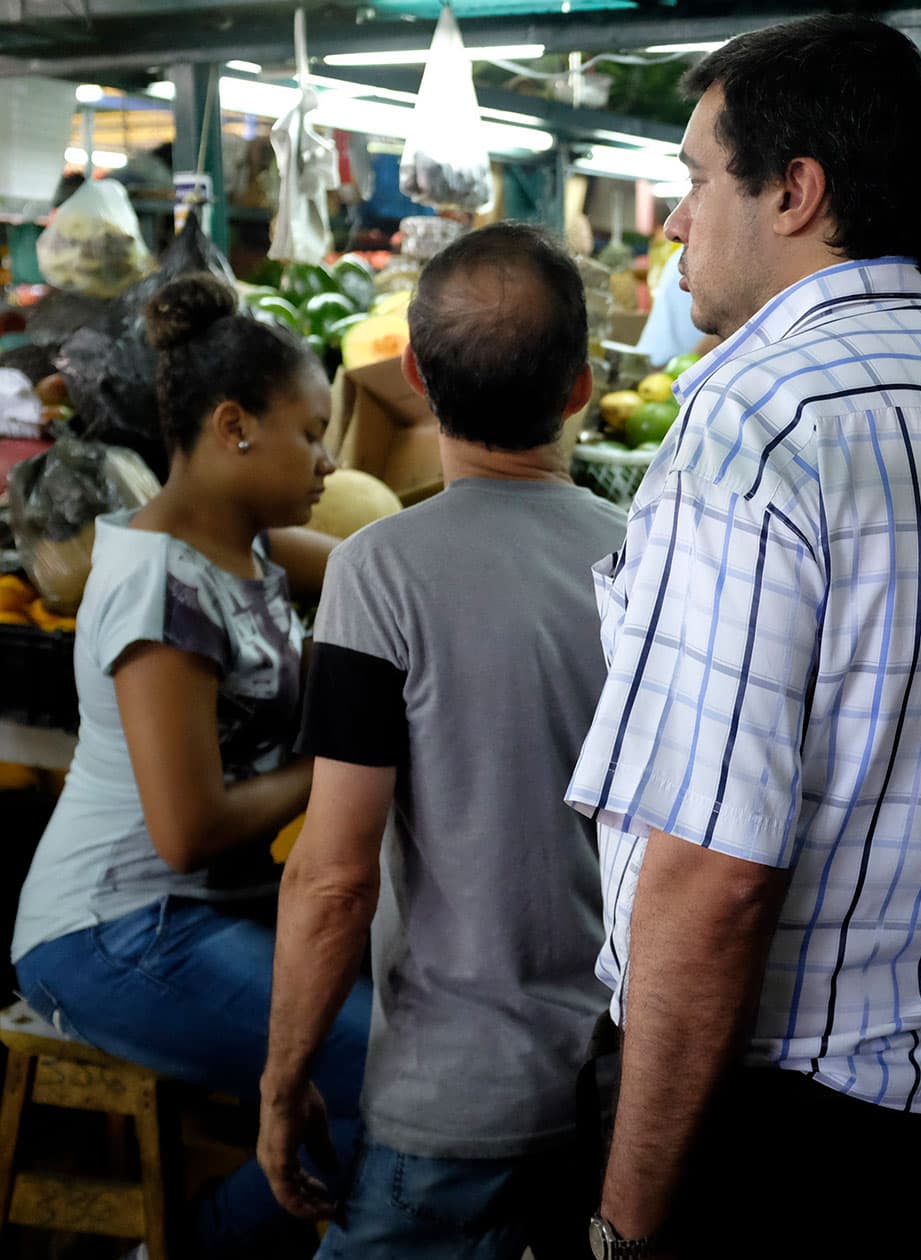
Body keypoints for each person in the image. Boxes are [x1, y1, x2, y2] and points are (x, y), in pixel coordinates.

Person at [565, 15, 921, 1258]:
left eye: (694, 179)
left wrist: (622, 1227)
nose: (673, 221)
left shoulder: (755, 427)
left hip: (772, 1141)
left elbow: (713, 877)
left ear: (795, 192)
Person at [256, 223, 625, 1258]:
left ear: (415, 378)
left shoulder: (379, 574)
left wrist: (283, 1085)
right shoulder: (644, 561)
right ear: (580, 388)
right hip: (617, 1092)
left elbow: (332, 881)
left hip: (455, 1101)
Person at [10, 272, 369, 1259]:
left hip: (206, 912)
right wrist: (354, 760)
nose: (329, 459)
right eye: (311, 430)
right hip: (117, 928)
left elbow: (383, 574)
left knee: (436, 1026)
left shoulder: (245, 546)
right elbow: (189, 831)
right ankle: (197, 1246)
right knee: (387, 1067)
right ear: (233, 427)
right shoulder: (159, 589)